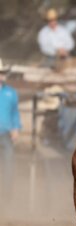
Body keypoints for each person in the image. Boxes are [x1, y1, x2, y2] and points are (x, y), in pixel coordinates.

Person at [0, 59, 21, 202]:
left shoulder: (11, 93)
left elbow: (15, 112)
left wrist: (16, 128)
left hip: (5, 135)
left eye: (3, 72)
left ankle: (6, 198)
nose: (3, 75)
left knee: (8, 166)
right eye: (1, 72)